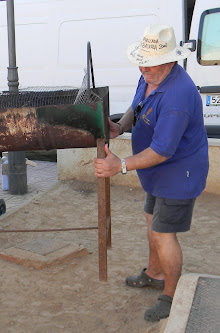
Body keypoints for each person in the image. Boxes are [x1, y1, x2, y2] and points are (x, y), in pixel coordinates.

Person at [94, 24, 209, 322]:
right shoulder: (150, 76)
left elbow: (162, 151)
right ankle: (155, 272)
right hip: (156, 173)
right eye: (141, 61)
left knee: (163, 233)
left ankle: (170, 296)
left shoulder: (178, 97)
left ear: (171, 60)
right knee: (151, 222)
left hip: (178, 173)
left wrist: (119, 165)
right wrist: (120, 126)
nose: (144, 67)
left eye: (150, 63)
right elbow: (138, 104)